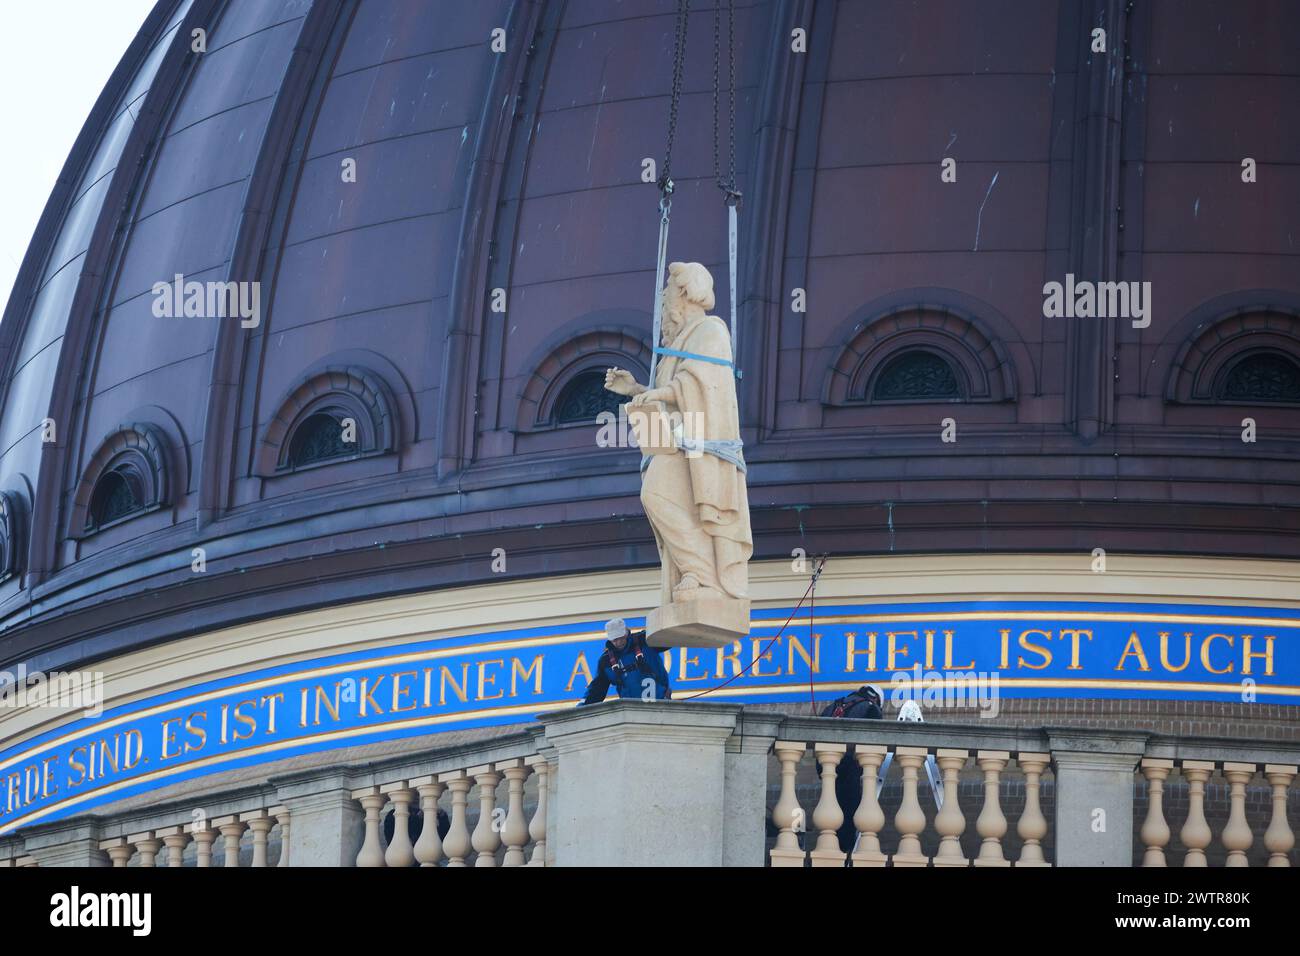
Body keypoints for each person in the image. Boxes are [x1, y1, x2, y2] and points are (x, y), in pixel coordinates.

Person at [818, 684, 884, 853]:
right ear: (876, 698)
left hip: (827, 768)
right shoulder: (871, 708)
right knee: (849, 813)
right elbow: (875, 741)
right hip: (850, 769)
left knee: (830, 811)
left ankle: (832, 850)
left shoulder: (834, 705)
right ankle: (845, 851)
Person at [579, 618, 672, 705]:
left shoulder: (645, 640)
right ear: (610, 640)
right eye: (615, 640)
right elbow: (597, 690)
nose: (619, 642)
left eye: (621, 637)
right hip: (632, 712)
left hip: (661, 703)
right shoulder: (606, 661)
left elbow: (670, 639)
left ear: (626, 633)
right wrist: (581, 707)